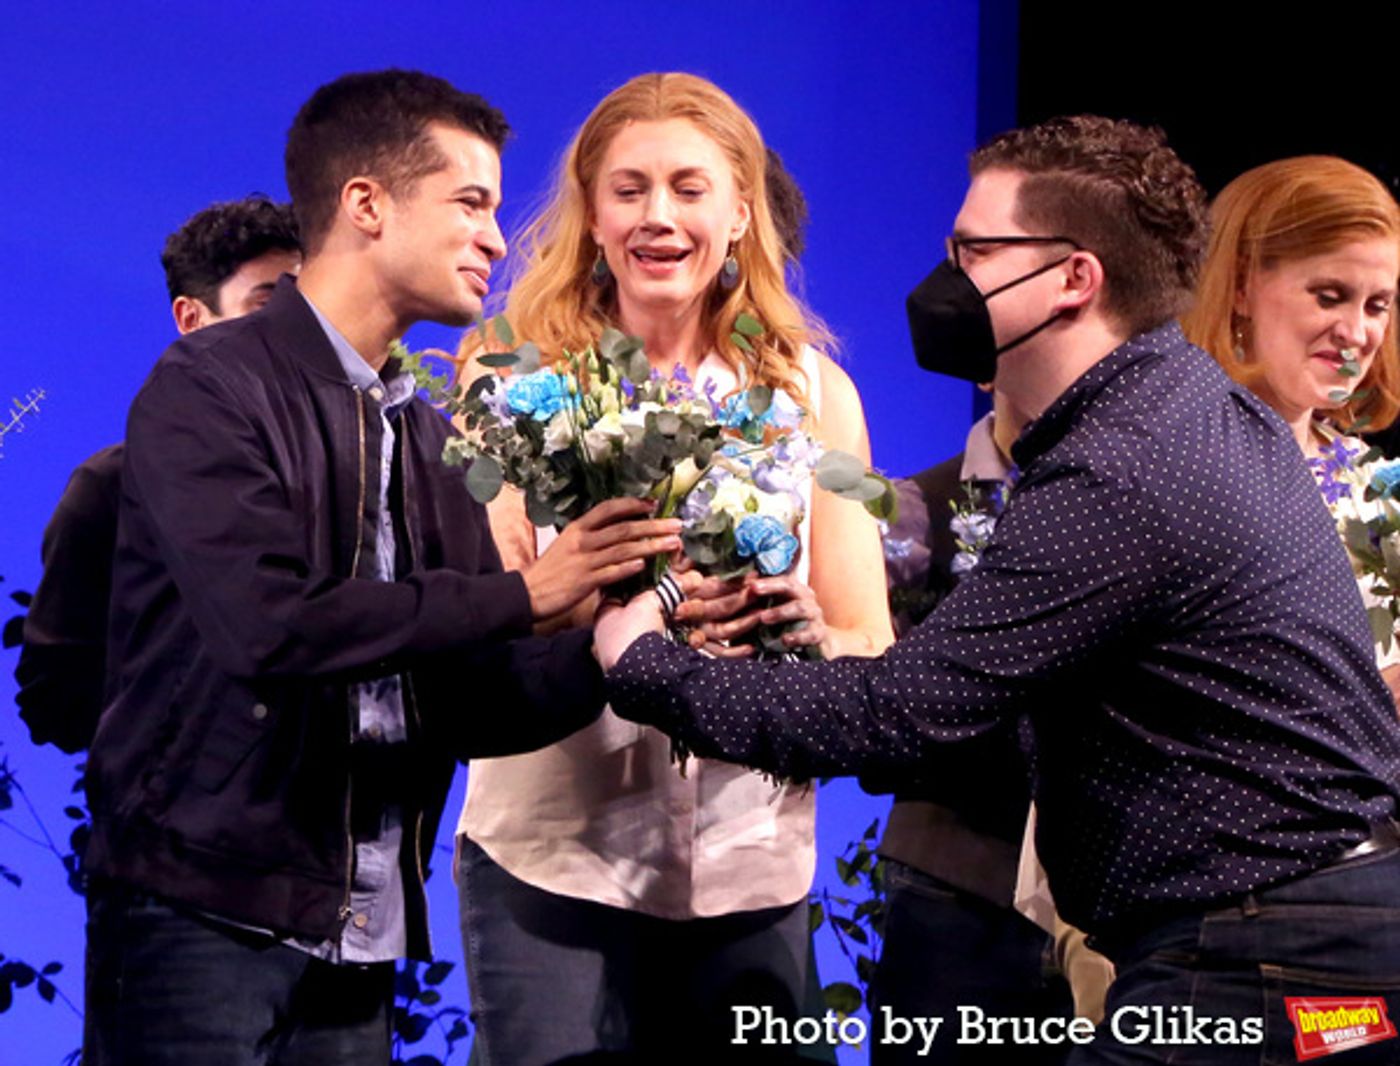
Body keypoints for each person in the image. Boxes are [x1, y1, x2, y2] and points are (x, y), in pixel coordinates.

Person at [595, 116, 1400, 1066]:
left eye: (974, 251)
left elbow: (900, 715)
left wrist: (640, 661)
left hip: (1259, 952)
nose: (946, 280)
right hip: (1317, 939)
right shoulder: (1194, 413)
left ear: (1073, 277)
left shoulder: (1121, 468)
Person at [81, 69, 681, 1066]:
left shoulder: (431, 433)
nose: (497, 236)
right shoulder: (205, 386)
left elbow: (470, 701)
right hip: (199, 913)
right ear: (366, 204)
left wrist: (619, 625)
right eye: (471, 202)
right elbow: (265, 623)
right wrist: (519, 594)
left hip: (358, 936)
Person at [455, 71, 893, 1064]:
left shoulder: (813, 395)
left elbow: (867, 636)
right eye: (629, 189)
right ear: (591, 215)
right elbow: (487, 611)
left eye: (689, 190)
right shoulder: (507, 371)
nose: (659, 217)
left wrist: (803, 631)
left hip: (749, 861)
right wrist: (606, 599)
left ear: (740, 211)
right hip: (553, 854)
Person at [15, 195, 302, 755]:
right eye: (265, 306)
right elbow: (52, 697)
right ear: (191, 319)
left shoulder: (358, 477)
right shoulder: (111, 487)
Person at [1182, 155, 1400, 693]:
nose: (1356, 333)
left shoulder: (1375, 486)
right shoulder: (1168, 462)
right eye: (1329, 297)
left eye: (1377, 306)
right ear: (1240, 286)